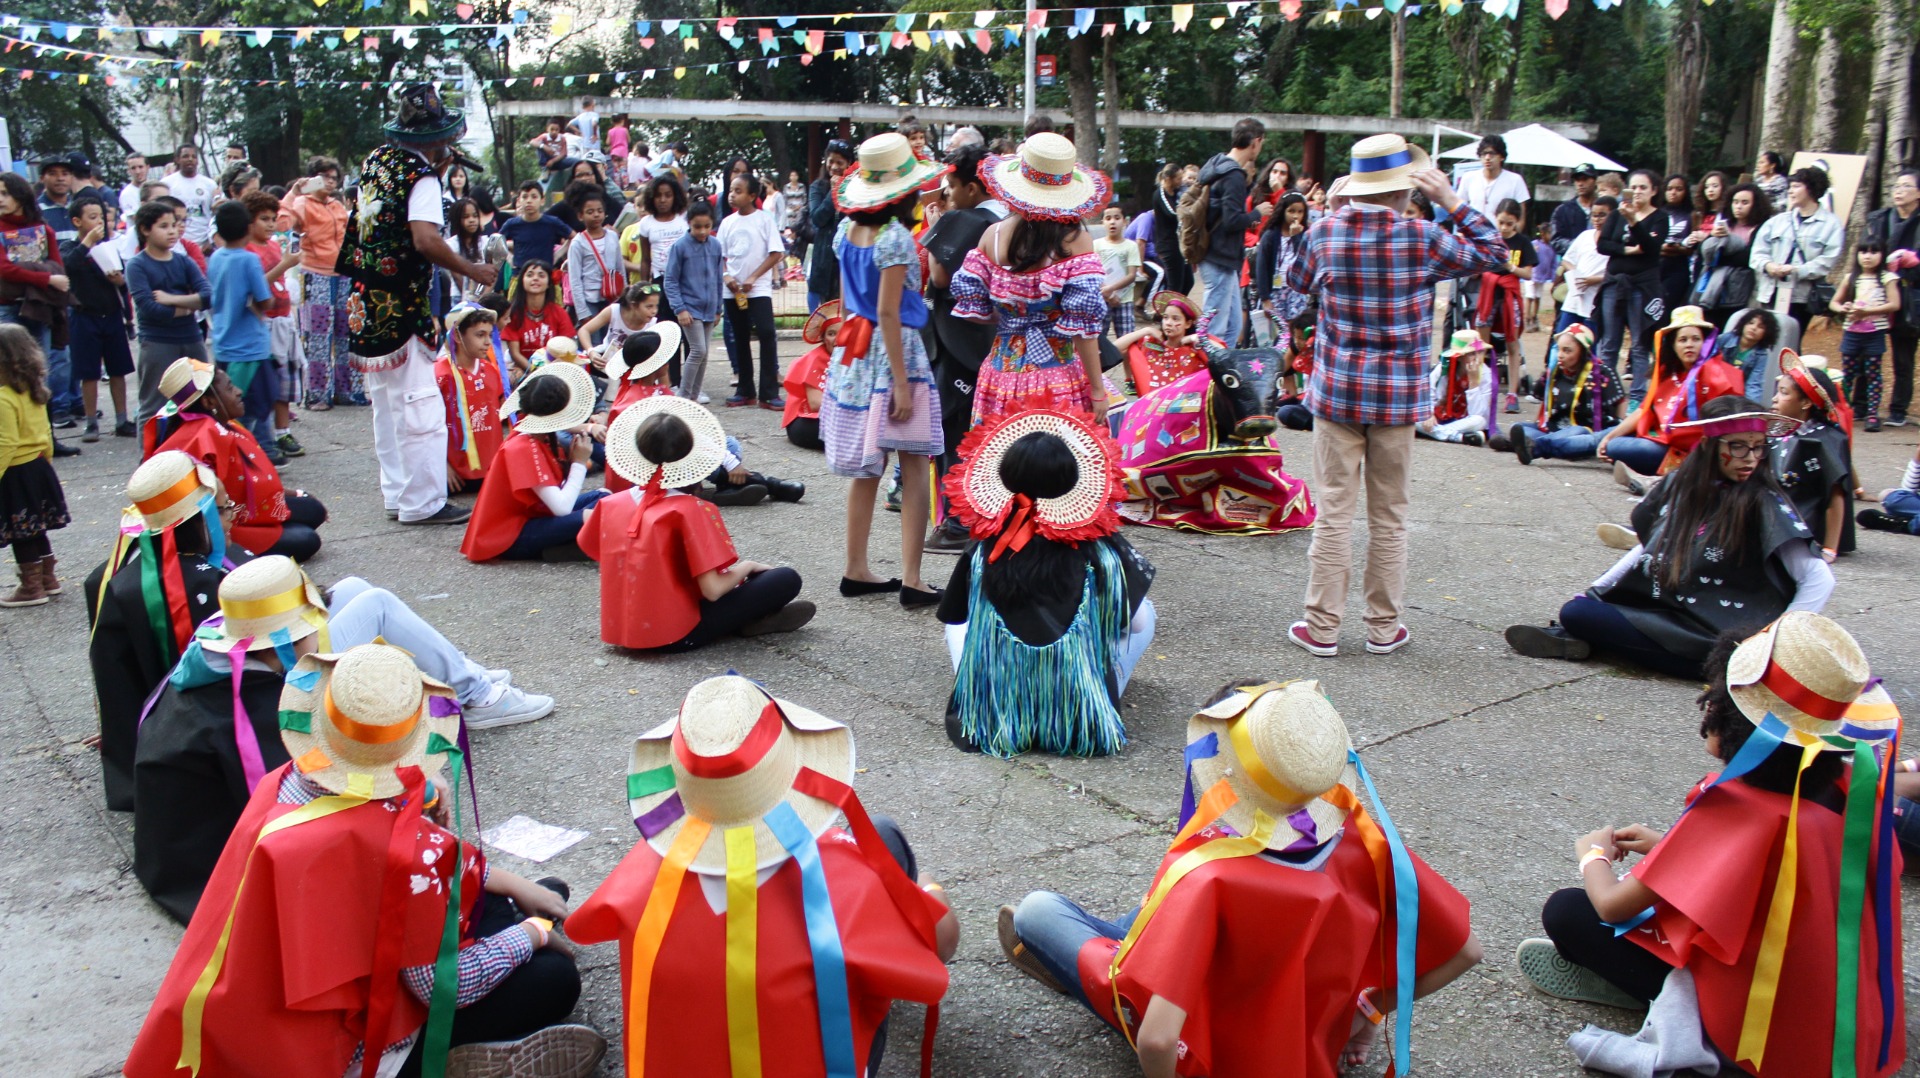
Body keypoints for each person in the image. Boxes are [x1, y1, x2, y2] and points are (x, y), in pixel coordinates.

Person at [126, 641, 597, 1078]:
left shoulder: (285, 780)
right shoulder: (398, 845)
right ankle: (430, 1064)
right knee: (554, 978)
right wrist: (533, 934)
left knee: (528, 896)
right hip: (344, 1041)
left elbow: (422, 873)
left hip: (272, 1003)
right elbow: (443, 986)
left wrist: (511, 882)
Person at [1001, 679, 1481, 1078]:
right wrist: (1369, 1011)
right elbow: (1465, 952)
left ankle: (1080, 959)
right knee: (1147, 915)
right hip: (1308, 1036)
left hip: (1209, 1048)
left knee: (1039, 910)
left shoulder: (1209, 877)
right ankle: (1130, 935)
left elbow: (1160, 1038)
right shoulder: (1364, 838)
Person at [1518, 614, 1903, 1077]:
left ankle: (1660, 1000)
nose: (1707, 709)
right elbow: (1785, 874)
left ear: (1738, 721)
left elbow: (1614, 905)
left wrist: (1592, 855)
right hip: (1841, 1013)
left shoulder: (1737, 806)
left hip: (1755, 1026)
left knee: (1567, 911)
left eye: (1716, 700)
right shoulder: (1851, 786)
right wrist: (1669, 847)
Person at [569, 674, 954, 1078]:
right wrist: (926, 887)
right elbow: (940, 947)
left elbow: (590, 921)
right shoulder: (847, 884)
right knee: (885, 835)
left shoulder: (640, 876)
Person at [1283, 134, 1506, 659]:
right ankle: (1383, 627)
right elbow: (1495, 253)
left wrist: (1329, 214)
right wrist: (1453, 201)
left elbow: (1293, 284)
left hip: (1337, 391)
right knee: (1390, 515)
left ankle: (1322, 627)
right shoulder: (1422, 236)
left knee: (1334, 510)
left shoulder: (1325, 234)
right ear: (1404, 189)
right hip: (1398, 397)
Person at [1507, 395, 1828, 680]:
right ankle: (1583, 636)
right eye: (1738, 445)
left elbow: (1819, 579)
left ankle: (1585, 641)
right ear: (1710, 447)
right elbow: (1647, 549)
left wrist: (1776, 642)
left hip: (1724, 639)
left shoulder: (1764, 502)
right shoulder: (1683, 486)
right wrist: (1593, 592)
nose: (1750, 457)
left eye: (1758, 446)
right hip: (1675, 612)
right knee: (1578, 611)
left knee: (1582, 620)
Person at [937, 410, 1154, 756]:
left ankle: (986, 696)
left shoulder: (985, 547)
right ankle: (1092, 694)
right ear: (1072, 478)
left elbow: (953, 615)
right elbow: (1136, 622)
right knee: (1146, 614)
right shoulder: (1098, 546)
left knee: (960, 624)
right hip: (1076, 715)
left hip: (997, 715)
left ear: (1005, 476)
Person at [338, 86, 499, 529]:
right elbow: (425, 240)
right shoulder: (422, 177)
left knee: (387, 405)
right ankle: (423, 501)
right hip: (401, 302)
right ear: (439, 141)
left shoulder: (375, 162)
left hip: (366, 299)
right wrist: (471, 268)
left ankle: (397, 494)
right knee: (419, 403)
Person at [821, 133, 949, 608]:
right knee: (915, 463)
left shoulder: (845, 231)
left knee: (867, 468)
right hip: (894, 355)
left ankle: (856, 567)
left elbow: (848, 298)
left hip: (853, 352)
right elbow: (890, 312)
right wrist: (900, 381)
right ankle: (913, 578)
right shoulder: (895, 237)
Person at [580, 399, 816, 649]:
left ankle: (753, 620)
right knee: (785, 579)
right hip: (676, 633)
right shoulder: (691, 509)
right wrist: (747, 567)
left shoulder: (610, 504)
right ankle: (751, 620)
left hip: (624, 630)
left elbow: (594, 548)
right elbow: (712, 590)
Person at [85, 452, 243, 811]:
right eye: (221, 509)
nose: (231, 516)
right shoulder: (208, 584)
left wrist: (117, 729)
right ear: (201, 517)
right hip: (198, 743)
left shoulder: (111, 578)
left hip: (140, 753)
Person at [950, 133, 1111, 427]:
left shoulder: (993, 236)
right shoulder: (1075, 240)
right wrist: (1098, 389)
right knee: (1057, 460)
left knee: (1003, 457)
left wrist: (1014, 318)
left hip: (1000, 375)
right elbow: (1083, 329)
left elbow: (975, 309)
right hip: (1057, 373)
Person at [148, 358, 329, 561]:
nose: (238, 391)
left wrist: (297, 493)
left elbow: (251, 482)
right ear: (209, 402)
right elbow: (208, 515)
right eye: (229, 387)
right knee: (307, 539)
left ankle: (274, 525)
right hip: (222, 525)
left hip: (243, 510)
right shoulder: (200, 439)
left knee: (313, 510)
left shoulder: (222, 425)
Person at [919, 142, 1006, 553]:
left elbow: (938, 277)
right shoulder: (1006, 221)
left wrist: (935, 228)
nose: (946, 194)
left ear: (973, 187)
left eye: (951, 186)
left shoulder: (963, 220)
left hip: (957, 343)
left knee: (951, 429)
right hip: (993, 341)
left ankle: (956, 521)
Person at [460, 362, 607, 562]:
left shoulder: (531, 433)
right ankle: (567, 548)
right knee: (594, 516)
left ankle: (567, 547)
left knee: (605, 499)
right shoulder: (522, 448)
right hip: (509, 536)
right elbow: (561, 508)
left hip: (534, 517)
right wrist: (579, 464)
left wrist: (587, 430)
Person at [1595, 304, 1742, 477]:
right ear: (1673, 345)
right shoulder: (1668, 372)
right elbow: (1644, 409)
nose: (1689, 345)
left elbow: (1729, 424)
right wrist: (1610, 436)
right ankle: (1556, 444)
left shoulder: (1718, 374)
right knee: (1601, 437)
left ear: (1705, 342)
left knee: (1615, 446)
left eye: (1696, 339)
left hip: (1687, 451)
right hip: (1656, 435)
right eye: (1683, 340)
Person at [277, 157, 357, 409]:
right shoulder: (302, 203)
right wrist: (293, 193)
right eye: (324, 177)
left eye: (334, 178)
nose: (330, 182)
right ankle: (317, 394)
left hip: (343, 273)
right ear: (313, 178)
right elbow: (282, 224)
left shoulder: (337, 205)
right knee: (319, 336)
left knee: (346, 332)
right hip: (315, 272)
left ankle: (347, 390)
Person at [0, 323, 69, 608]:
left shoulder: (4, 398)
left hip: (15, 471)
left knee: (22, 532)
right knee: (36, 527)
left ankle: (31, 587)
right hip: (38, 467)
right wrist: (46, 463)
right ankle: (48, 579)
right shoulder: (35, 390)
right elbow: (45, 433)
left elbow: (5, 442)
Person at [124, 200, 210, 425]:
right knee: (153, 405)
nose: (172, 231)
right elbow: (151, 309)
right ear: (145, 230)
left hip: (191, 338)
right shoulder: (137, 265)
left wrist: (171, 299)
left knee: (200, 400)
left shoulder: (183, 261)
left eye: (175, 224)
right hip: (158, 341)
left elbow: (209, 296)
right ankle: (150, 458)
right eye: (164, 226)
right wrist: (190, 306)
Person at [206, 200, 279, 458]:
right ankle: (249, 451)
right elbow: (264, 299)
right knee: (255, 403)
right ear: (248, 227)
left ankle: (259, 448)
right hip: (249, 346)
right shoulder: (249, 259)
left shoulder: (216, 257)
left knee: (232, 402)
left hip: (224, 340)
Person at [60, 195, 135, 441]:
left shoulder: (110, 247)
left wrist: (120, 282)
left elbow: (124, 285)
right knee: (89, 373)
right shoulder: (71, 248)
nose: (99, 222)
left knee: (118, 369)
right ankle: (91, 422)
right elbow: (69, 266)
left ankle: (122, 418)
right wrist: (87, 243)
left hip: (111, 315)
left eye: (101, 217)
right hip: (84, 316)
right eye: (92, 218)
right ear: (77, 221)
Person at [1193, 118, 1270, 349]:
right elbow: (1231, 220)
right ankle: (1209, 381)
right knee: (1215, 330)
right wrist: (1257, 213)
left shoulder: (1216, 164)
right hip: (1220, 258)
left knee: (1233, 326)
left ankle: (1222, 380)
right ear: (1256, 142)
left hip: (1216, 256)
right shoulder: (1233, 174)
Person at [1771, 350, 1856, 557]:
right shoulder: (1774, 431)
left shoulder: (1826, 440)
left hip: (1806, 529)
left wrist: (1829, 548)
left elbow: (1836, 494)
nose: (1774, 398)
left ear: (1806, 402)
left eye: (1783, 392)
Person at [1596, 170, 1671, 404]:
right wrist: (1627, 249)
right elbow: (1603, 244)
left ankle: (1637, 397)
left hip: (1642, 286)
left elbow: (1651, 246)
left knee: (1639, 343)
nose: (1637, 192)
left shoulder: (1660, 217)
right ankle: (1606, 392)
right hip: (1614, 282)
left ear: (1654, 191)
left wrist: (1634, 222)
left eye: (1643, 188)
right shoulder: (1616, 215)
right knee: (1609, 342)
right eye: (1634, 187)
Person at [1506, 323, 1623, 464]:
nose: (1560, 355)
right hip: (1553, 430)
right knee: (1517, 428)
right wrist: (1549, 373)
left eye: (1567, 351)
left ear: (1582, 352)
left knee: (1577, 432)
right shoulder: (1556, 371)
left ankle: (1528, 445)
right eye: (1559, 350)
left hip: (1584, 431)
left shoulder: (1601, 372)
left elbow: (1620, 402)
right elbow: (1538, 395)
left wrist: (1619, 431)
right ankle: (1543, 445)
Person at [241, 191, 303, 458]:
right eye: (263, 219)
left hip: (284, 320)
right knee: (268, 382)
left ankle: (283, 432)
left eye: (272, 218)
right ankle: (263, 436)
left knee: (285, 383)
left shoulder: (274, 246)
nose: (269, 224)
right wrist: (285, 265)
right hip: (264, 324)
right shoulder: (248, 251)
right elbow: (256, 286)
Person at [717, 171, 786, 409]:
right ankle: (746, 390)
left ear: (752, 195)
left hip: (758, 289)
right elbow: (720, 256)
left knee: (767, 333)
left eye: (738, 191)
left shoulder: (764, 219)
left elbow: (776, 253)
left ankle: (769, 392)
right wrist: (727, 277)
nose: (732, 195)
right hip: (733, 290)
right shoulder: (727, 223)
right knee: (740, 337)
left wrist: (754, 277)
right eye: (731, 191)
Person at [1751, 167, 1843, 330]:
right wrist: (1768, 266)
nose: (1791, 191)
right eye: (1790, 186)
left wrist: (1797, 270)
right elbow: (1758, 252)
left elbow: (1827, 260)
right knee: (1767, 340)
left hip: (1801, 296)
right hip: (1770, 292)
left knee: (1790, 340)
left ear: (1812, 188)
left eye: (1796, 186)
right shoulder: (1778, 221)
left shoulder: (1831, 224)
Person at [1831, 240, 1902, 431]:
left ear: (1882, 255)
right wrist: (1844, 308)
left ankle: (1872, 414)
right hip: (1852, 332)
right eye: (1863, 252)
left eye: (1873, 252)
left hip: (1874, 333)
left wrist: (1868, 312)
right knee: (1848, 374)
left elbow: (1895, 304)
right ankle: (1843, 411)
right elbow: (1834, 303)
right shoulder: (1851, 278)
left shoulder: (1887, 278)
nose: (1868, 256)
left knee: (1873, 374)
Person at [434, 305, 506, 492]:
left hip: (489, 472)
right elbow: (429, 427)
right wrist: (442, 465)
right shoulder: (440, 374)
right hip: (454, 475)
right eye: (480, 335)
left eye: (490, 335)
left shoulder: (491, 370)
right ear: (458, 337)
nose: (488, 342)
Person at [1474, 198, 1537, 412]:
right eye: (1501, 222)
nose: (1504, 228)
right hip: (1488, 292)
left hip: (1510, 293)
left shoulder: (1522, 242)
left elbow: (1528, 273)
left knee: (1512, 344)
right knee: (1480, 344)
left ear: (1517, 222)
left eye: (1509, 224)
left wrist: (1509, 266)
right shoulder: (1490, 239)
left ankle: (1511, 393)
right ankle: (1479, 387)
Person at [1866, 170, 1918, 425]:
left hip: (1911, 294)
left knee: (1903, 355)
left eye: (1906, 186)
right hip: (1875, 291)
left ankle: (1898, 409)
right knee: (1866, 347)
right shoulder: (1880, 219)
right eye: (1896, 186)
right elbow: (1867, 248)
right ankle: (1862, 406)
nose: (1899, 191)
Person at [663, 200, 722, 402]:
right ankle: (685, 396)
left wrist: (718, 309)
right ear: (689, 223)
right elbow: (670, 279)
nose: (703, 231)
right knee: (698, 350)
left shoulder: (715, 245)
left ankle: (695, 394)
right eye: (697, 226)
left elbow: (718, 277)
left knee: (704, 354)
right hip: (690, 308)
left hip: (709, 308)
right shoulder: (680, 247)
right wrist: (679, 308)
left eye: (707, 226)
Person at [1695, 182, 1771, 328]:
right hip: (1713, 288)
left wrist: (1720, 257)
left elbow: (1748, 257)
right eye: (1735, 202)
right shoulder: (1724, 225)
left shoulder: (1761, 228)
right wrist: (1711, 237)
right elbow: (1704, 253)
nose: (1738, 206)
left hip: (1741, 289)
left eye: (1745, 202)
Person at [1416, 332, 1494, 447]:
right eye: (1472, 353)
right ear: (1459, 357)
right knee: (1414, 417)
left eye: (1480, 352)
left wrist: (1473, 383)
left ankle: (1438, 433)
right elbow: (1428, 395)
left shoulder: (1486, 374)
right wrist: (1429, 414)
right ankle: (1459, 437)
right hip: (1440, 416)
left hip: (1464, 420)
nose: (1478, 358)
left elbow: (1478, 413)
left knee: (1480, 421)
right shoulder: (1443, 368)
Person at [500, 259, 576, 375]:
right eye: (530, 275)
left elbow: (567, 349)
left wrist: (549, 373)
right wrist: (535, 372)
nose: (535, 278)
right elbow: (515, 354)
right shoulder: (513, 313)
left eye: (541, 275)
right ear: (522, 281)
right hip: (522, 367)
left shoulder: (559, 313)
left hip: (555, 369)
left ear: (549, 283)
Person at [782, 299, 838, 451]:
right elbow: (815, 404)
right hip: (806, 419)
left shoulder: (855, 358)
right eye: (832, 333)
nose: (837, 339)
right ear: (823, 337)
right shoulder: (814, 360)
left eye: (843, 333)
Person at [1555, 195, 1613, 337]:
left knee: (1588, 342)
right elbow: (1567, 259)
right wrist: (1575, 273)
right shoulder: (1585, 236)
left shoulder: (1616, 241)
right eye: (1594, 215)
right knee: (1563, 337)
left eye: (1602, 215)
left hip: (1594, 302)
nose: (1597, 219)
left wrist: (1595, 279)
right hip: (1574, 299)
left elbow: (1617, 271)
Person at [1092, 205, 1141, 340]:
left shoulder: (1131, 246)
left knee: (1128, 340)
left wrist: (1112, 289)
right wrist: (1107, 293)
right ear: (1103, 222)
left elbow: (1131, 275)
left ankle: (1128, 362)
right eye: (1108, 218)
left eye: (1117, 218)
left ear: (1124, 221)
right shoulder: (1096, 245)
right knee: (1099, 340)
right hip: (1101, 299)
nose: (1112, 222)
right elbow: (1092, 272)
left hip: (1124, 299)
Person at [1719, 307, 1782, 403]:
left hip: (1735, 395)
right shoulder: (1725, 339)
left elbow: (1754, 384)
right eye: (1750, 323)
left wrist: (1751, 410)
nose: (1753, 328)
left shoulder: (1761, 355)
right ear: (1743, 324)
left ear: (1766, 333)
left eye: (1760, 327)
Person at [162, 143, 218, 248]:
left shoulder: (209, 184)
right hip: (177, 244)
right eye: (186, 156)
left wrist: (210, 241)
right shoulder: (167, 183)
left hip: (204, 243)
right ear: (177, 159)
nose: (190, 159)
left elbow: (215, 213)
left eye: (194, 156)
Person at [1150, 163, 1192, 297]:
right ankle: (1168, 312)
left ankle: (1174, 309)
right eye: (1178, 178)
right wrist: (1187, 212)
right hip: (1168, 245)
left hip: (1179, 244)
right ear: (1168, 178)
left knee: (1188, 282)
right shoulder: (1160, 194)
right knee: (1175, 285)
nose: (1181, 181)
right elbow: (1173, 213)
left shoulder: (1177, 192)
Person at [1549, 164, 1598, 256]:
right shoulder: (1562, 210)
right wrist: (1580, 244)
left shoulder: (1604, 208)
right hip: (1571, 262)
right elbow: (1555, 241)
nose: (1580, 183)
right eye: (1577, 180)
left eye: (1585, 179)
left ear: (1595, 180)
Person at [119, 152, 150, 220]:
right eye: (133, 168)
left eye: (140, 167)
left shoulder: (156, 188)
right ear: (129, 171)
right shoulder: (127, 194)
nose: (137, 171)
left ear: (147, 167)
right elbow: (138, 219)